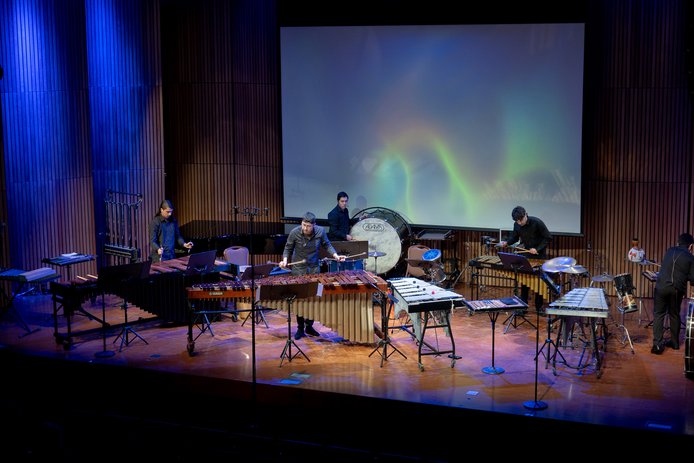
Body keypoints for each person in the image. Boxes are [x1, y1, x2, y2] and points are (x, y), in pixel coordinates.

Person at [279, 212, 344, 340]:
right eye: (304, 225)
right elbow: (288, 248)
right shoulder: (295, 232)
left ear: (314, 225)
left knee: (313, 299)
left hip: (314, 268)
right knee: (299, 300)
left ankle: (309, 326)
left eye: (308, 226)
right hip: (298, 269)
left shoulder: (320, 231)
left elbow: (327, 245)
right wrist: (285, 260)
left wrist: (336, 255)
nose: (305, 228)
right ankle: (300, 328)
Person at [651, 233, 694, 354]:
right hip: (676, 290)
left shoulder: (669, 250)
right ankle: (675, 343)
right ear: (691, 246)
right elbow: (693, 280)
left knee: (659, 314)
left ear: (678, 243)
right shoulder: (690, 257)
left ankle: (657, 345)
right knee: (674, 314)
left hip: (661, 287)